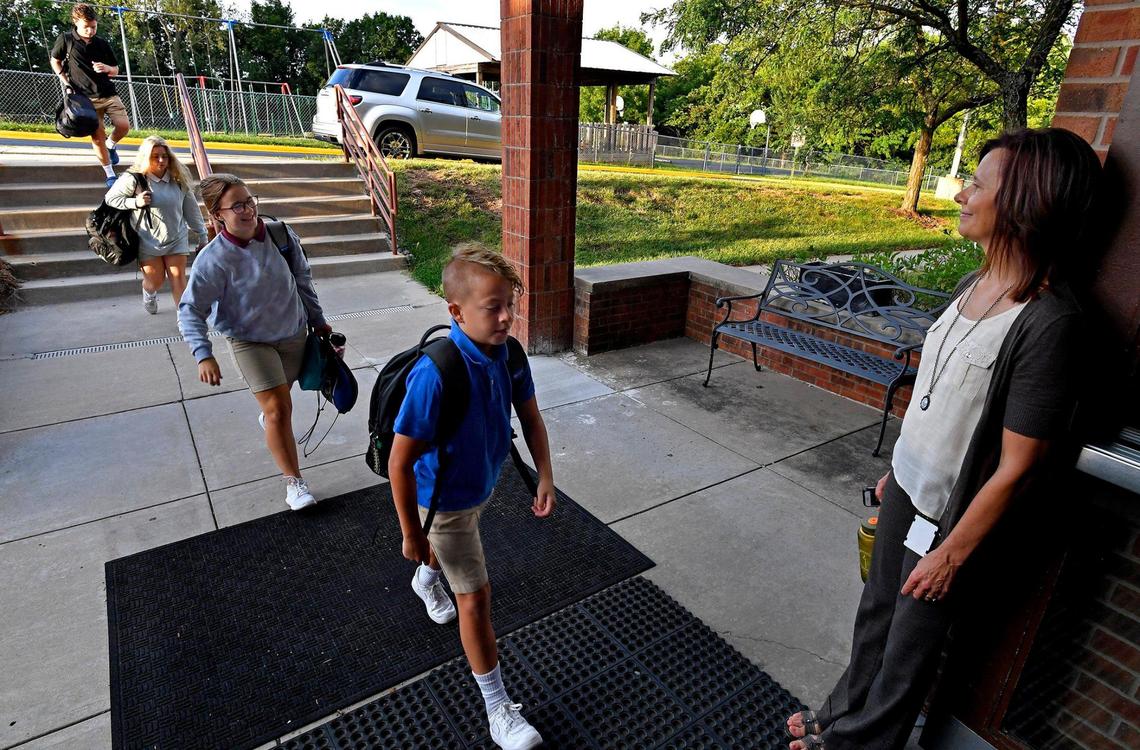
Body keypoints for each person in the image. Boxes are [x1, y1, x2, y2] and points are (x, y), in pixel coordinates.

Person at [786, 127, 1101, 750]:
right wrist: (899, 469)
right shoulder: (972, 285)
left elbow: (1018, 467)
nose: (961, 194)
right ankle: (841, 712)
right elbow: (940, 395)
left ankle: (860, 744)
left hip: (954, 519)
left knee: (909, 647)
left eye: (978, 184)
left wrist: (952, 553)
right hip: (908, 487)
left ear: (1025, 202)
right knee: (875, 616)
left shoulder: (1049, 324)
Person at [389, 244, 556, 750]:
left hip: (480, 481)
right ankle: (498, 707)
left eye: (510, 304)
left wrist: (545, 473)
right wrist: (411, 531)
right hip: (441, 501)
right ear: (456, 312)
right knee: (476, 598)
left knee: (449, 558)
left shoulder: (510, 352)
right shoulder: (434, 375)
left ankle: (426, 577)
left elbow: (528, 416)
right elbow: (399, 461)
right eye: (492, 307)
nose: (506, 317)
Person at [178, 173, 331, 511]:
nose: (248, 210)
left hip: (293, 334)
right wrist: (203, 355)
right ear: (218, 214)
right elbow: (190, 310)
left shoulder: (279, 235)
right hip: (250, 341)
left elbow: (303, 280)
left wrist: (319, 323)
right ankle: (295, 483)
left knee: (279, 404)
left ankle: (270, 419)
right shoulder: (212, 260)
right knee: (279, 409)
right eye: (238, 206)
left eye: (250, 201)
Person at [104, 135, 207, 315]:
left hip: (176, 237)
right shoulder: (134, 179)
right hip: (147, 240)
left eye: (164, 156)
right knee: (155, 281)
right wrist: (134, 202)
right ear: (146, 157)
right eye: (155, 156)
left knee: (178, 279)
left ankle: (185, 320)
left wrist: (202, 234)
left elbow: (191, 209)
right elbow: (110, 198)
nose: (161, 160)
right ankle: (149, 292)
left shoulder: (178, 179)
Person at [50, 3, 130, 188]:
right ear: (76, 23)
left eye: (93, 27)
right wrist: (65, 81)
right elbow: (55, 60)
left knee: (123, 126)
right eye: (86, 27)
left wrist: (107, 68)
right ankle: (110, 174)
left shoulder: (102, 43)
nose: (90, 30)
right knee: (97, 136)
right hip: (85, 100)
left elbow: (116, 69)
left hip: (108, 93)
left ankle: (111, 145)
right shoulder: (66, 40)